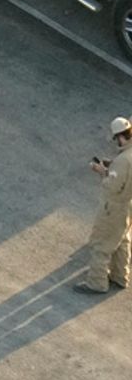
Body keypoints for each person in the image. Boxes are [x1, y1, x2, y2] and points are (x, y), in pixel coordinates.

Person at [78, 116, 132, 294]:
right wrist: (112, 166)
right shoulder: (127, 157)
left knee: (101, 243)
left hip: (114, 207)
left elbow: (114, 186)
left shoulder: (124, 160)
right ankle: (120, 276)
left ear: (119, 137)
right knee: (122, 240)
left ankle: (97, 283)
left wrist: (102, 172)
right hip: (128, 206)